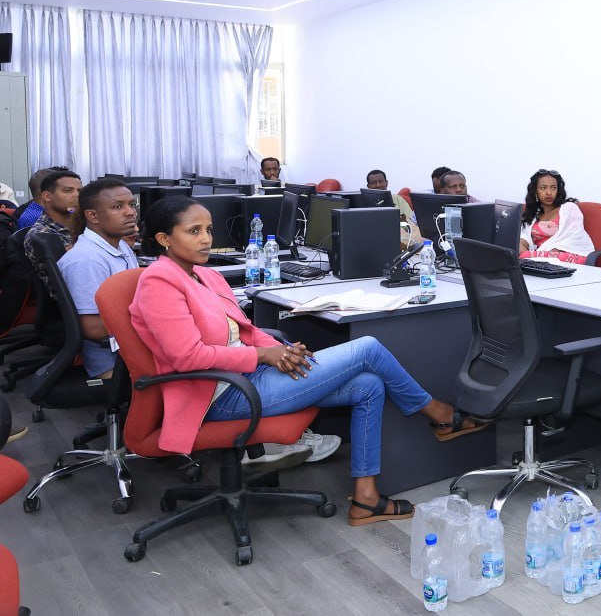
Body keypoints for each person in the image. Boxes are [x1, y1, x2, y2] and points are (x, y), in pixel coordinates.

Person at [129, 197, 488, 525]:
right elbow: (187, 356)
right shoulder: (158, 282)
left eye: (208, 229)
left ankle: (366, 499)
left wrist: (281, 350)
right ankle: (440, 414)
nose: (206, 239)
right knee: (368, 348)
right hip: (219, 394)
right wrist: (264, 355)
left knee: (368, 385)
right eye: (194, 231)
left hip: (249, 375)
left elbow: (245, 330)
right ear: (164, 239)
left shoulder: (204, 274)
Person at [56, 179, 139, 380]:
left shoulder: (120, 245)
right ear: (93, 216)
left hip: (130, 347)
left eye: (131, 204)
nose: (130, 212)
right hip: (112, 360)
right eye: (118, 207)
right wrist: (155, 321)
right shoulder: (86, 260)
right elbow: (92, 328)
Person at [518, 169, 595, 264]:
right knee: (515, 253)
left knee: (530, 257)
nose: (549, 192)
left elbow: (575, 236)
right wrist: (521, 245)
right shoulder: (533, 213)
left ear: (558, 190)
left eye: (553, 188)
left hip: (567, 255)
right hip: (540, 258)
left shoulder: (569, 208)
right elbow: (525, 236)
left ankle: (532, 258)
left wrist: (553, 251)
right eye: (543, 188)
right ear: (535, 191)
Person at [24, 169, 82, 292]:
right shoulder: (42, 234)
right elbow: (71, 278)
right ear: (47, 196)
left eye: (79, 191)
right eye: (68, 190)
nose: (76, 195)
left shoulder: (80, 224)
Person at [366, 169, 421, 248]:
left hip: (398, 239)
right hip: (372, 240)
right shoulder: (363, 203)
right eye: (373, 183)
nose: (378, 185)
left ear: (386, 183)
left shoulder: (397, 199)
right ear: (368, 186)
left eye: (380, 181)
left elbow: (410, 223)